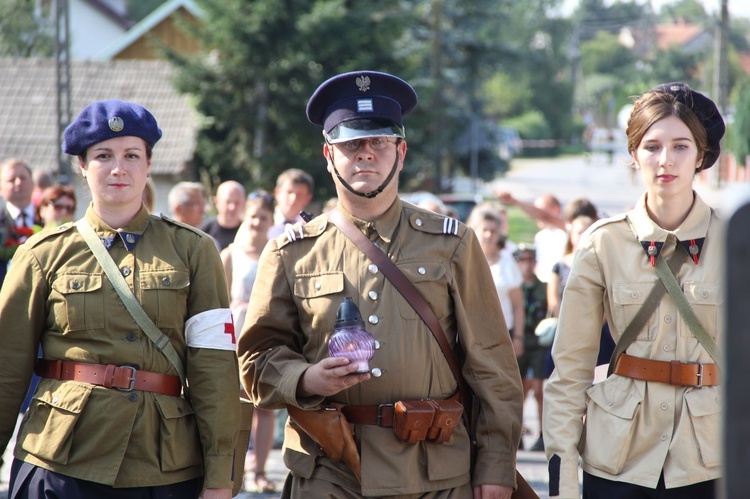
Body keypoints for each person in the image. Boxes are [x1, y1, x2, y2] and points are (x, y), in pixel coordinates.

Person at [237, 70, 523, 498]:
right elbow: (255, 362)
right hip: (329, 471)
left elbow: (493, 367)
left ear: (401, 152)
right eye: (351, 143)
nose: (365, 154)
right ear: (328, 155)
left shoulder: (452, 243)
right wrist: (307, 378)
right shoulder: (290, 251)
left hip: (435, 473)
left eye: (379, 142)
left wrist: (497, 467)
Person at [0, 99, 241, 499]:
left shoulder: (195, 251)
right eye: (103, 156)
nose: (118, 168)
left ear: (148, 164)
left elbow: (214, 369)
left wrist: (219, 478)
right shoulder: (42, 253)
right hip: (61, 457)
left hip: (161, 464)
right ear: (82, 166)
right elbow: (7, 368)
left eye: (132, 155)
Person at [544, 82, 725, 498]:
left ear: (701, 156)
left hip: (708, 459)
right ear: (633, 155)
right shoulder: (601, 243)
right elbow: (570, 370)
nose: (666, 160)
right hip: (618, 458)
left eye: (681, 146)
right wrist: (564, 484)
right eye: (651, 146)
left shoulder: (735, 241)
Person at [219, 192, 277, 494]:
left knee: (264, 406)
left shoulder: (275, 253)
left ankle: (260, 470)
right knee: (233, 407)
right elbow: (217, 300)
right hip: (233, 337)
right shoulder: (230, 253)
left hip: (263, 335)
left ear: (271, 222)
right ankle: (230, 471)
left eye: (263, 218)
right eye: (253, 216)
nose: (257, 222)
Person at [466, 203, 525, 358]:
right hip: (470, 335)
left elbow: (518, 305)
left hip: (502, 335)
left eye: (493, 231)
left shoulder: (508, 264)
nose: (488, 235)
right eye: (484, 230)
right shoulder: (463, 261)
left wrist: (518, 337)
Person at [513, 244, 549, 453]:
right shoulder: (514, 286)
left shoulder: (543, 288)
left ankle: (543, 435)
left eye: (530, 260)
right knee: (518, 389)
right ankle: (516, 434)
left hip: (537, 343)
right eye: (523, 260)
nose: (527, 265)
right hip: (518, 342)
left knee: (538, 389)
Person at [0, 158, 40, 288]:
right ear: (1, 188)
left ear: (32, 183)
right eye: (11, 180)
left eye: (23, 178)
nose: (18, 183)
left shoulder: (46, 219)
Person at [267, 168, 314, 238]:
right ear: (277, 192)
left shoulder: (310, 228)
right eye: (289, 192)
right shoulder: (262, 220)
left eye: (299, 194)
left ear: (308, 198)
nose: (293, 199)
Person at [200, 180, 246, 250]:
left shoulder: (249, 232)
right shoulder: (203, 233)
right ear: (216, 201)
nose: (232, 207)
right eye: (228, 202)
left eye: (237, 203)